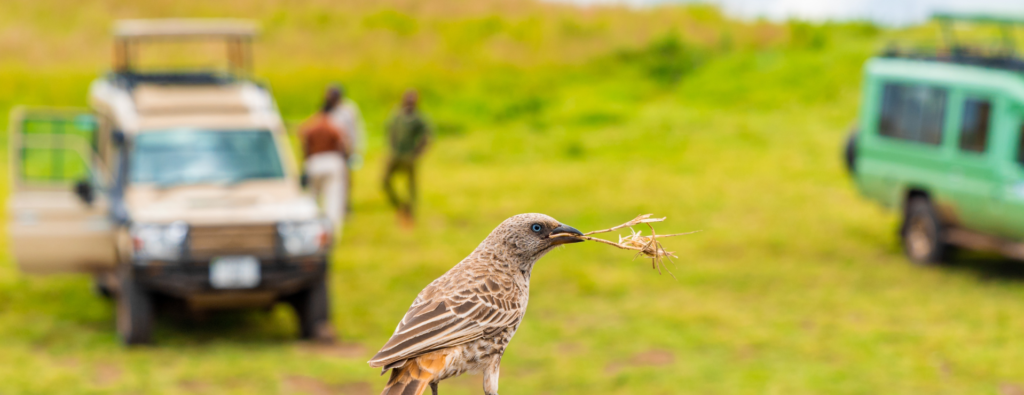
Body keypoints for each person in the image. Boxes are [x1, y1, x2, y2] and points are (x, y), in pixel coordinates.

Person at [299, 88, 351, 229]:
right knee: (333, 200)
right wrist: (346, 159)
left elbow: (304, 144)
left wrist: (304, 165)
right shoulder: (333, 124)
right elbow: (343, 144)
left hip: (314, 162)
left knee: (312, 198)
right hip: (333, 161)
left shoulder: (311, 124)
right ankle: (331, 230)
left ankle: (310, 228)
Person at [383, 90, 431, 225]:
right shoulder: (397, 115)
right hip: (395, 155)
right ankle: (399, 206)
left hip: (409, 157)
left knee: (410, 186)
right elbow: (390, 131)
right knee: (385, 181)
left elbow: (426, 136)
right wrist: (390, 148)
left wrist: (418, 152)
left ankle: (410, 213)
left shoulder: (418, 118)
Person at [327, 84, 365, 213]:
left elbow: (356, 129)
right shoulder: (327, 109)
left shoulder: (349, 109)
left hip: (346, 149)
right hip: (331, 149)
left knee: (346, 179)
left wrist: (356, 148)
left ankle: (346, 205)